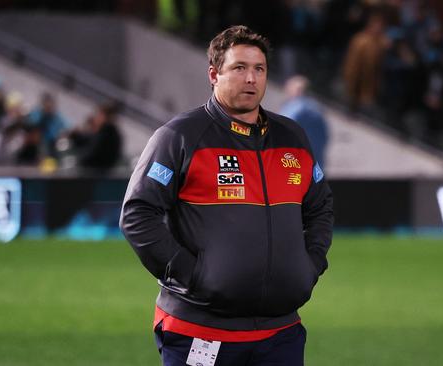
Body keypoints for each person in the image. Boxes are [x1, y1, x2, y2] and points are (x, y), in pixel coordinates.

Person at [120, 25, 333, 366]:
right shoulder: (180, 136)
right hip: (200, 330)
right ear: (214, 74)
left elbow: (320, 207)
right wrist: (192, 276)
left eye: (259, 69)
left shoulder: (292, 136)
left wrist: (311, 265)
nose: (251, 78)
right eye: (239, 68)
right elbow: (137, 214)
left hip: (280, 333)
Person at [280, 75, 329, 170]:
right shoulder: (317, 107)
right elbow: (325, 135)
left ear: (297, 91)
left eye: (289, 89)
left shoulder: (295, 108)